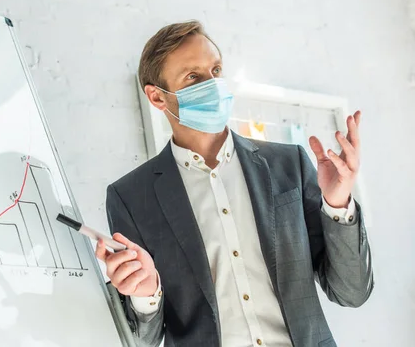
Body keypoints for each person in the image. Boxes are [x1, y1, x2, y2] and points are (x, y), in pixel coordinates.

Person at [95, 21, 373, 347]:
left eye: (215, 70)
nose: (212, 85)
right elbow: (144, 339)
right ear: (157, 97)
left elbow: (351, 292)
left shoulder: (288, 163)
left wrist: (338, 205)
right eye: (194, 77)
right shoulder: (130, 197)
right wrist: (146, 295)